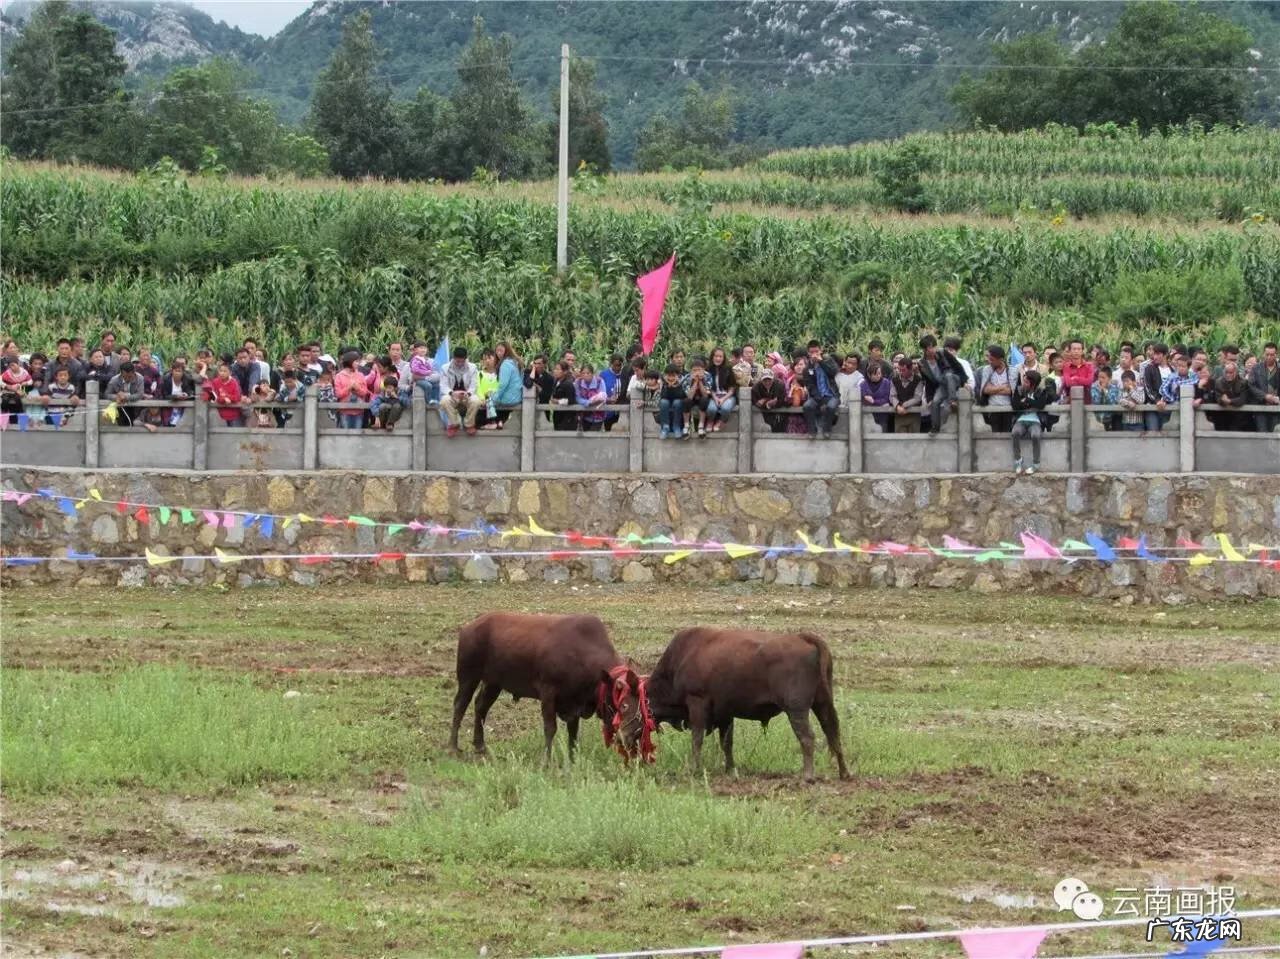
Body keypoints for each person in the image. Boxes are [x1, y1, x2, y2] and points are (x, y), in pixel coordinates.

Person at [918, 334, 965, 434]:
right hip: (942, 385)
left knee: (948, 375)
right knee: (935, 402)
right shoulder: (922, 364)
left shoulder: (943, 353)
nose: (931, 350)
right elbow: (928, 382)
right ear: (924, 350)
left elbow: (958, 367)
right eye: (928, 348)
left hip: (954, 379)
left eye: (933, 347)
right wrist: (929, 398)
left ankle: (953, 401)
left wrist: (964, 382)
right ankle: (935, 427)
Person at [1011, 369, 1053, 475]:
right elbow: (1015, 405)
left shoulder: (1041, 391)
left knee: (1035, 435)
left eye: (1026, 382)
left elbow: (1041, 404)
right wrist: (1031, 404)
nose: (1024, 383)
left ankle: (1036, 463)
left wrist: (1027, 401)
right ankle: (1018, 460)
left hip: (1035, 420)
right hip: (1021, 419)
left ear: (1033, 383)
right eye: (1024, 380)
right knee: (1015, 432)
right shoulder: (1019, 389)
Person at [802, 341, 840, 439]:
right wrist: (820, 400)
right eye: (811, 352)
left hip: (831, 394)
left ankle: (827, 429)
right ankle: (812, 430)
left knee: (831, 407)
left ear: (821, 350)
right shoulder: (807, 369)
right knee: (807, 406)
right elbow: (810, 386)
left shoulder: (828, 360)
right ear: (808, 353)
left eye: (816, 351)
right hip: (817, 396)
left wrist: (821, 362)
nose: (814, 354)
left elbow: (833, 372)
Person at [440, 347, 480, 437]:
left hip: (467, 396)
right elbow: (443, 386)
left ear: (465, 359)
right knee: (444, 400)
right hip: (453, 396)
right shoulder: (445, 368)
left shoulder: (473, 368)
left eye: (462, 361)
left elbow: (474, 385)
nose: (460, 364)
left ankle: (469, 424)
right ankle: (454, 424)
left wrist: (468, 393)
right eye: (457, 361)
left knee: (476, 400)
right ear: (453, 358)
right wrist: (452, 393)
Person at [976, 345, 1016, 434]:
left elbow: (1010, 390)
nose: (989, 361)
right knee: (994, 434)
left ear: (1001, 359)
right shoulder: (987, 370)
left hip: (1007, 408)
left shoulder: (1012, 371)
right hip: (992, 409)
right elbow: (985, 390)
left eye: (992, 359)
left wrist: (993, 388)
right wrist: (1003, 386)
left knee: (1007, 435)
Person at [106, 361, 154, 431]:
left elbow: (140, 394)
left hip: (135, 407)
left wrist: (126, 397)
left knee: (134, 423)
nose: (127, 379)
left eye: (130, 377)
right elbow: (107, 394)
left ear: (134, 373)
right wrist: (117, 396)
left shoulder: (140, 378)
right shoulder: (114, 380)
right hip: (120, 407)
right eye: (124, 377)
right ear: (121, 373)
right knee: (122, 425)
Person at [333, 351, 371, 430]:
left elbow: (365, 392)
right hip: (344, 411)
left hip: (359, 411)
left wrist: (357, 389)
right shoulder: (339, 376)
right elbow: (338, 394)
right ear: (350, 361)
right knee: (345, 437)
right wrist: (349, 387)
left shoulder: (360, 375)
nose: (358, 363)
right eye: (356, 361)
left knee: (357, 436)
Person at [1247, 342, 1279, 433]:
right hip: (1260, 407)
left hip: (1276, 408)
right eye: (1267, 354)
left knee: (1275, 433)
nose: (1269, 357)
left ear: (1276, 354)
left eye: (1272, 355)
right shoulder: (1256, 368)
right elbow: (1250, 385)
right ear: (1263, 354)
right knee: (1262, 432)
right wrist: (1264, 396)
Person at [1141, 343, 1172, 431]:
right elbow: (1147, 388)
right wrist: (1157, 400)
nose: (1155, 357)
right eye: (1154, 354)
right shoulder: (1149, 369)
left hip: (1168, 407)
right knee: (1153, 433)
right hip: (1153, 407)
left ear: (1165, 354)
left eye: (1158, 354)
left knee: (1166, 433)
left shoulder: (1172, 370)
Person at [203, 362, 245, 427]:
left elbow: (237, 397)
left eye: (225, 371)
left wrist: (228, 397)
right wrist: (223, 399)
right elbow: (214, 397)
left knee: (234, 435)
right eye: (221, 371)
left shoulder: (234, 382)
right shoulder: (215, 382)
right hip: (220, 415)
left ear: (230, 373)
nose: (222, 373)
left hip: (234, 414)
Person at [1212, 362, 1251, 432]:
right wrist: (1222, 400)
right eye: (1226, 372)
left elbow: (1243, 399)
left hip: (1240, 417)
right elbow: (1217, 398)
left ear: (1236, 372)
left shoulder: (1243, 382)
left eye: (1231, 372)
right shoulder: (1218, 382)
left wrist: (1229, 401)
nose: (1228, 375)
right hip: (1224, 416)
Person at [705, 347, 737, 432]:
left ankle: (721, 421)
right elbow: (708, 387)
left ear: (723, 358)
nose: (718, 358)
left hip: (727, 396)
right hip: (714, 395)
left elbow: (732, 387)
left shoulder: (728, 369)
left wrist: (723, 398)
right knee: (711, 409)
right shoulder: (708, 369)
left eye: (720, 356)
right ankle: (710, 421)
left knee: (725, 408)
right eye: (716, 356)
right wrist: (715, 398)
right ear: (712, 357)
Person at [890, 356, 924, 433]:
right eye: (899, 369)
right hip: (899, 416)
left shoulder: (918, 380)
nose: (901, 372)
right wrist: (897, 406)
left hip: (914, 415)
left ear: (910, 369)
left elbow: (917, 397)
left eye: (903, 370)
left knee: (914, 441)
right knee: (899, 441)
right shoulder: (894, 380)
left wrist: (904, 405)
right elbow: (892, 396)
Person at [493, 343, 523, 429]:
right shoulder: (516, 362)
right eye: (497, 350)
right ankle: (500, 421)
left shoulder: (505, 364)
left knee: (487, 401)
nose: (498, 353)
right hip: (517, 397)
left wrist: (494, 398)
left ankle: (493, 422)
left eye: (501, 351)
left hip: (509, 398)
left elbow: (503, 385)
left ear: (507, 351)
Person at [158, 358, 195, 426]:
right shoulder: (166, 380)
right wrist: (175, 397)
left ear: (183, 372)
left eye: (179, 371)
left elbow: (190, 392)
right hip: (169, 406)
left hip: (183, 408)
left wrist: (186, 394)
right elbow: (163, 395)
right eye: (176, 371)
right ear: (172, 371)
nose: (177, 373)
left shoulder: (187, 379)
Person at [682, 355, 712, 437]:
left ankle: (701, 426)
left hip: (702, 397)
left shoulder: (708, 376)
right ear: (691, 371)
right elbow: (689, 396)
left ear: (703, 370)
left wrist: (701, 382)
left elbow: (705, 394)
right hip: (692, 398)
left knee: (704, 400)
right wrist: (695, 382)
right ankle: (686, 426)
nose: (697, 372)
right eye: (694, 370)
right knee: (686, 401)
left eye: (699, 370)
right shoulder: (687, 377)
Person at [574, 362, 609, 432]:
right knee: (585, 436)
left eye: (588, 373)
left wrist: (596, 400)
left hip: (598, 415)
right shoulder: (578, 382)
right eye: (583, 373)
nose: (585, 375)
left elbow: (603, 396)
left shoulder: (599, 381)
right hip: (584, 415)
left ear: (592, 373)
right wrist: (588, 402)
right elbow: (577, 397)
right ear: (580, 374)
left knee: (593, 437)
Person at [751, 367, 787, 433]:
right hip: (762, 413)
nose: (767, 382)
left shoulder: (780, 385)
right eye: (765, 380)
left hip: (778, 414)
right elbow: (756, 402)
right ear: (761, 380)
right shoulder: (755, 388)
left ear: (773, 379)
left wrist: (765, 401)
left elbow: (782, 400)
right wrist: (767, 403)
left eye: (769, 380)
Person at [860, 361, 892, 433]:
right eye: (875, 374)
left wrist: (874, 401)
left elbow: (886, 399)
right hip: (868, 415)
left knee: (882, 433)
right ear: (869, 374)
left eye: (879, 373)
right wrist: (877, 402)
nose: (878, 376)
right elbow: (863, 400)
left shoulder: (886, 383)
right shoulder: (863, 384)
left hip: (882, 415)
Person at [657, 363, 687, 439]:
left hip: (677, 403)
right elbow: (663, 395)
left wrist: (674, 386)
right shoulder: (663, 382)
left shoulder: (683, 381)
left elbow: (681, 395)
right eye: (669, 376)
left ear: (678, 375)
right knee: (663, 402)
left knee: (678, 402)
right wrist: (668, 386)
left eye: (673, 376)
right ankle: (665, 427)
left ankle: (676, 426)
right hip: (667, 402)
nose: (671, 378)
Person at [549, 361, 578, 431]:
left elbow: (572, 400)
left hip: (567, 418)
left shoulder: (568, 384)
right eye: (555, 369)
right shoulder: (556, 381)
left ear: (565, 372)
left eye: (558, 369)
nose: (555, 371)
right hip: (558, 416)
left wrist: (558, 401)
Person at [599, 353, 624, 432]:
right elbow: (599, 392)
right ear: (611, 364)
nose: (617, 368)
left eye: (619, 365)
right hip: (608, 410)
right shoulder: (604, 375)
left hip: (622, 410)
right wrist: (608, 399)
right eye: (615, 365)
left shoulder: (624, 374)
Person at [785, 356, 809, 435]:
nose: (799, 367)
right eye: (796, 365)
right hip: (793, 414)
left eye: (801, 364)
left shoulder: (810, 379)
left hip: (807, 414)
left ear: (806, 366)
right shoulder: (790, 380)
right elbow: (786, 395)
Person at [1090, 366, 1119, 430]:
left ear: (1110, 378)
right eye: (1099, 377)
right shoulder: (1094, 387)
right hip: (1097, 420)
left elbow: (1113, 403)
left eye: (1103, 378)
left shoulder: (1114, 388)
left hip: (1111, 420)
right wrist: (1100, 392)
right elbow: (1095, 402)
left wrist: (1105, 392)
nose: (1100, 380)